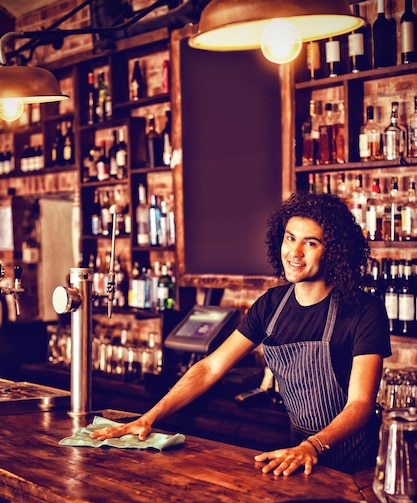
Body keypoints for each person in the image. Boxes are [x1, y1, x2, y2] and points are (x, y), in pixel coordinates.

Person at [91, 192, 391, 476]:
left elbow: (360, 404)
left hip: (355, 464)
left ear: (335, 251)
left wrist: (312, 445)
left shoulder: (363, 311)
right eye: (290, 238)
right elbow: (210, 367)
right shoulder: (271, 305)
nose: (295, 252)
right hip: (294, 457)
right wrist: (149, 417)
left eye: (311, 243)